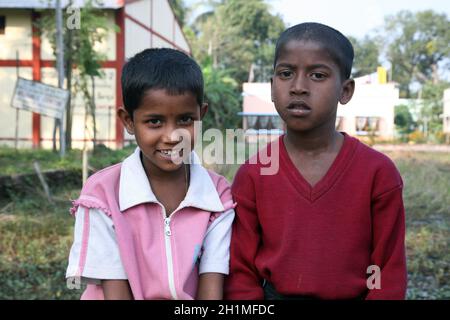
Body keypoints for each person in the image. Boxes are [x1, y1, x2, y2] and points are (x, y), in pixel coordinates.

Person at [224, 22, 407, 300]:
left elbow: (388, 272)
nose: (298, 87)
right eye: (286, 74)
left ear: (345, 91)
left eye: (318, 75)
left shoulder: (378, 173)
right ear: (273, 87)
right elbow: (241, 273)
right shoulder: (253, 174)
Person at [66, 48, 235, 300]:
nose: (171, 137)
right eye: (154, 121)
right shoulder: (103, 194)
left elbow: (212, 285)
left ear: (202, 116)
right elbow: (115, 291)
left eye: (186, 119)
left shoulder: (218, 196)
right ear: (129, 121)